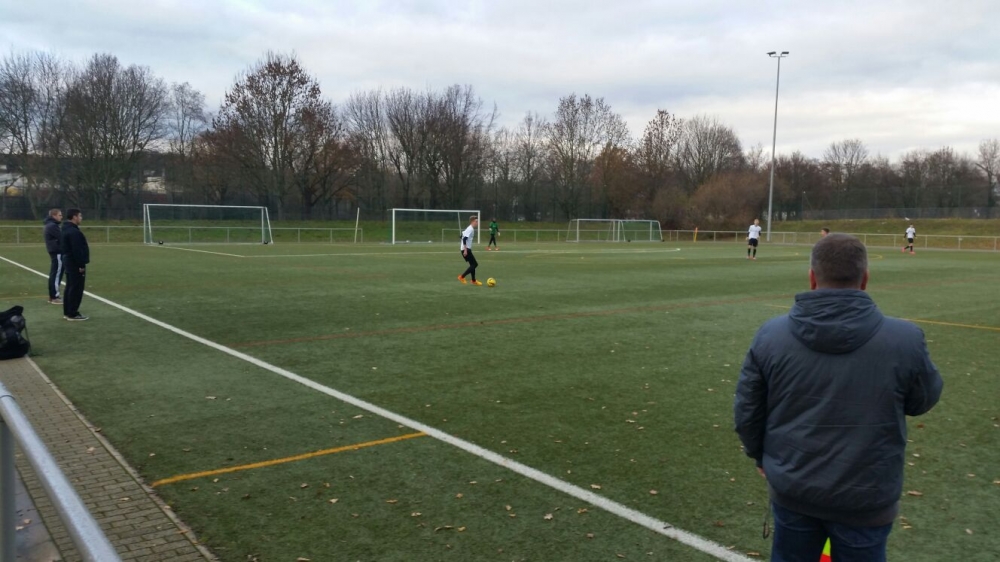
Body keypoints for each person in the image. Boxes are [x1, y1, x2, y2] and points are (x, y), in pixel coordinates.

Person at [734, 233, 943, 562]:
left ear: (812, 278)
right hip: (865, 497)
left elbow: (747, 412)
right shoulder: (906, 339)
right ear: (865, 280)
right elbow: (922, 400)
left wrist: (760, 457)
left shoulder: (770, 335)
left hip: (795, 488)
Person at [60, 209, 90, 321]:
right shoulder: (73, 232)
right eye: (80, 216)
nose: (81, 218)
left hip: (68, 261)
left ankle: (68, 312)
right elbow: (77, 250)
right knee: (76, 288)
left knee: (70, 287)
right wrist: (81, 264)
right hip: (74, 263)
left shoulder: (66, 229)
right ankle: (72, 313)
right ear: (74, 217)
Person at [43, 208, 65, 304]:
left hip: (55, 251)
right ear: (54, 216)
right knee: (56, 274)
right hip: (57, 252)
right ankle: (54, 297)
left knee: (55, 273)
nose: (61, 217)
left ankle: (52, 296)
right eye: (60, 215)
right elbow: (62, 237)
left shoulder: (51, 225)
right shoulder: (52, 226)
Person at [457, 215, 482, 286]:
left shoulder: (469, 228)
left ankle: (473, 280)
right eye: (476, 221)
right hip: (466, 249)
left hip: (465, 249)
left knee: (472, 265)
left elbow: (461, 236)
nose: (477, 223)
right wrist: (465, 250)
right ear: (472, 221)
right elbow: (464, 239)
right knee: (475, 264)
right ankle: (462, 277)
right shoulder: (470, 229)